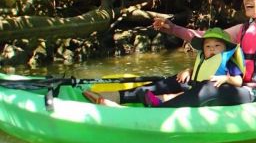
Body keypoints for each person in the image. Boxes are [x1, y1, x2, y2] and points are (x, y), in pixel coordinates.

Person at [83, 27, 245, 107]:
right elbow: (199, 71)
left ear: (225, 48)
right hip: (195, 84)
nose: (212, 49)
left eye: (217, 46)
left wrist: (226, 78)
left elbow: (238, 81)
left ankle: (159, 105)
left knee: (192, 91)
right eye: (208, 46)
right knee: (173, 80)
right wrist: (188, 71)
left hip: (214, 90)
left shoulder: (229, 62)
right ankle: (117, 96)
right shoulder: (204, 57)